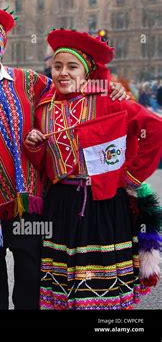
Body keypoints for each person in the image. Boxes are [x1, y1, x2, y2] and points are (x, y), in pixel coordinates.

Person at [0, 6, 128, 310]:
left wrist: (109, 88)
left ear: (1, 44)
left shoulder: (29, 81)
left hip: (28, 202)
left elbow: (72, 88)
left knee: (31, 273)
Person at [24, 29, 162, 309]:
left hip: (103, 204)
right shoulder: (44, 108)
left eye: (72, 67)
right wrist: (35, 145)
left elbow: (154, 128)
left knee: (100, 291)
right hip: (61, 204)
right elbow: (45, 166)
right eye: (57, 66)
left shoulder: (108, 100)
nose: (63, 73)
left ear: (86, 73)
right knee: (64, 289)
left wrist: (128, 176)